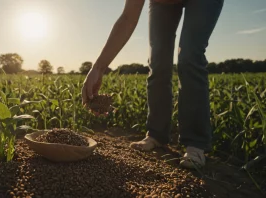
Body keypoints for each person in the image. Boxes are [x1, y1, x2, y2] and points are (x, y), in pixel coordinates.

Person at [81, 0, 224, 169]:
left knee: (189, 56)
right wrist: (98, 67)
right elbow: (128, 18)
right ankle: (156, 134)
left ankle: (195, 143)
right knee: (158, 61)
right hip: (162, 3)